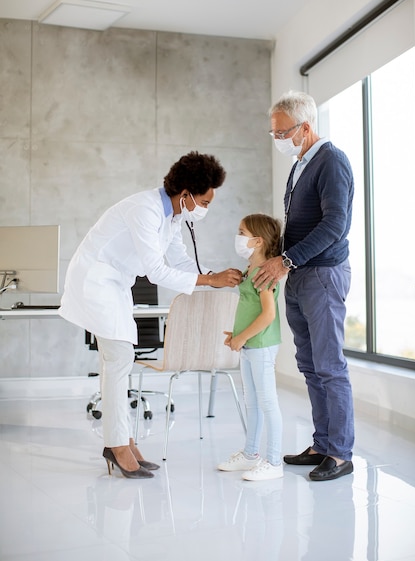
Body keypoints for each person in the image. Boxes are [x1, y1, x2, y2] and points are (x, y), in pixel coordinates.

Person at [59, 151, 242, 479]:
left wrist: (213, 278)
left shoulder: (172, 216)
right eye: (204, 201)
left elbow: (181, 261)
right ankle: (117, 445)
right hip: (96, 279)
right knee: (119, 357)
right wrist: (206, 280)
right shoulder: (144, 209)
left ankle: (123, 440)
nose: (206, 208)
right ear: (185, 194)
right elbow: (156, 271)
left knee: (118, 360)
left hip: (115, 284)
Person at [253, 90, 355, 481]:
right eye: (273, 133)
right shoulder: (301, 165)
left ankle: (340, 453)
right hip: (297, 276)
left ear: (305, 127)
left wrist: (288, 260)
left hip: (323, 276)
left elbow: (335, 225)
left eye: (282, 133)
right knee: (310, 365)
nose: (277, 139)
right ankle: (322, 443)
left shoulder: (332, 161)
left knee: (330, 366)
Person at [217, 213, 283, 481]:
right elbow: (251, 309)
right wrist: (238, 334)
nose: (238, 237)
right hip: (250, 345)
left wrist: (242, 338)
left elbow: (269, 314)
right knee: (252, 402)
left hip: (261, 346)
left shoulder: (262, 272)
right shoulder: (250, 271)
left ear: (257, 241)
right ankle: (250, 454)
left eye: (241, 232)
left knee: (267, 402)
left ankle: (274, 461)